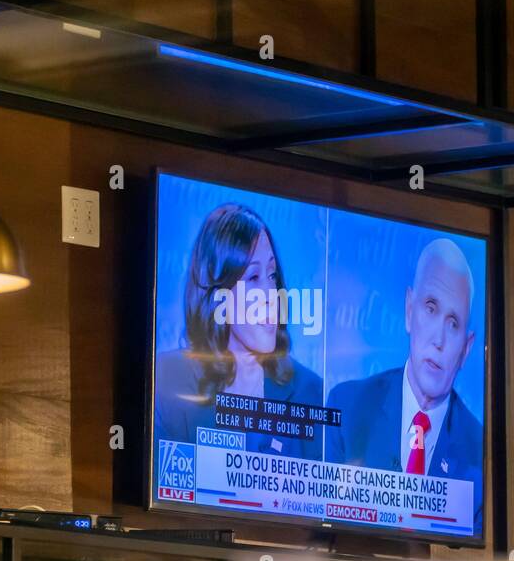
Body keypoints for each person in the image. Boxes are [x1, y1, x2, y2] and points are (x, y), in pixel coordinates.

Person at [155, 202, 323, 459]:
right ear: (218, 293)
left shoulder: (310, 392)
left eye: (272, 275)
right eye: (253, 278)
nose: (271, 295)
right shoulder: (169, 381)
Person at [325, 237, 483, 510]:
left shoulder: (479, 451)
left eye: (453, 323)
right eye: (430, 308)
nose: (439, 340)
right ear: (410, 311)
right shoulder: (347, 408)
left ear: (466, 350)